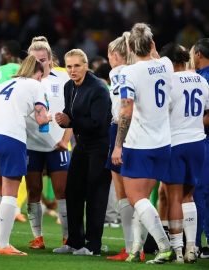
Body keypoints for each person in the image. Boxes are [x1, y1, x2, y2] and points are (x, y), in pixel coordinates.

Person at [111, 23, 174, 264]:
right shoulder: (166, 64)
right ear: (152, 44)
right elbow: (155, 59)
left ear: (129, 47)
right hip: (163, 142)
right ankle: (137, 248)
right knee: (145, 198)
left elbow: (126, 109)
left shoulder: (129, 73)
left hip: (140, 143)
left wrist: (118, 145)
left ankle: (164, 246)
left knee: (135, 198)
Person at [0, 55, 50, 256]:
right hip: (10, 137)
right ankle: (3, 244)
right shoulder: (36, 86)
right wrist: (51, 117)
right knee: (10, 191)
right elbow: (41, 118)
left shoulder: (5, 83)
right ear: (38, 73)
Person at [54, 48, 112, 256]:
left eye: (77, 65)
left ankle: (93, 245)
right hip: (83, 144)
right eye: (69, 66)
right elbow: (71, 114)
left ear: (86, 66)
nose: (72, 70)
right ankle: (74, 241)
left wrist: (71, 121)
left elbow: (97, 123)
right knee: (73, 190)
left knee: (95, 193)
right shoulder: (69, 86)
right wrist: (63, 119)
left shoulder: (98, 88)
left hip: (100, 145)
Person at [160, 42, 209, 263]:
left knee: (174, 198)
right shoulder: (200, 79)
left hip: (175, 142)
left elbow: (160, 111)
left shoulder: (168, 81)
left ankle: (177, 251)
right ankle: (192, 248)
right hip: (198, 142)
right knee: (189, 196)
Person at [26, 37, 72, 249]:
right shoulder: (24, 81)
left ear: (51, 60)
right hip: (32, 144)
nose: (39, 64)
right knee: (34, 190)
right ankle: (38, 237)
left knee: (62, 190)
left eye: (43, 59)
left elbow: (73, 110)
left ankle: (67, 236)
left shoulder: (63, 78)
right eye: (34, 60)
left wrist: (65, 139)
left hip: (57, 144)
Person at [105, 32, 147, 262]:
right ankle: (137, 247)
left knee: (124, 192)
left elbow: (122, 107)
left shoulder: (118, 73)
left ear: (114, 55)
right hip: (141, 131)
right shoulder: (139, 71)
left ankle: (132, 247)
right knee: (138, 192)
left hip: (120, 128)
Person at [0, 40, 27, 223]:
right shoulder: (26, 69)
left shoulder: (2, 70)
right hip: (20, 124)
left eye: (3, 52)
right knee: (18, 170)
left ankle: (1, 208)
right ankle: (16, 207)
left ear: (7, 52)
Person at [192, 38, 209, 259]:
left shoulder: (202, 78)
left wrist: (187, 122)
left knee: (199, 192)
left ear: (197, 54)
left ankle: (195, 243)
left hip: (203, 142)